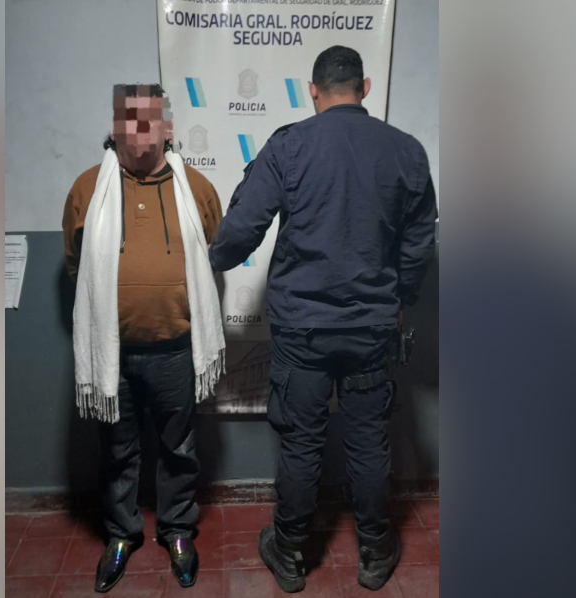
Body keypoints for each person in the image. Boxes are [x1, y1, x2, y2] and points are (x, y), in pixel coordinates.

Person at [209, 46, 438, 593]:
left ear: (312, 90)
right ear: (364, 86)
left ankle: (289, 554)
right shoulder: (406, 151)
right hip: (372, 329)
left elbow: (241, 230)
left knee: (301, 443)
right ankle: (376, 552)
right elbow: (418, 245)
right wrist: (401, 295)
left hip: (302, 330)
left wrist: (209, 263)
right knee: (368, 440)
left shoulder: (289, 145)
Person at [63, 83, 226, 593]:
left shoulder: (195, 188)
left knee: (179, 449)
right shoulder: (87, 189)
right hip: (113, 354)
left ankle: (177, 530)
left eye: (148, 119)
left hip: (176, 349)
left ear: (167, 128)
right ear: (114, 129)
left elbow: (213, 252)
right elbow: (75, 263)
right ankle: (121, 533)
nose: (137, 130)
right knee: (117, 451)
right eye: (127, 119)